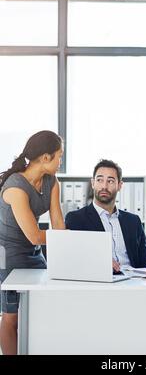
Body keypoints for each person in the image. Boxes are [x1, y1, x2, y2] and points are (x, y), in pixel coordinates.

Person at [0, 130, 65, 355]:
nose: (60, 161)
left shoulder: (52, 181)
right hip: (8, 254)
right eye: (59, 156)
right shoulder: (16, 186)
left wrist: (67, 242)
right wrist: (67, 239)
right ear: (46, 158)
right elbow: (35, 236)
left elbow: (58, 223)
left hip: (33, 253)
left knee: (44, 308)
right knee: (12, 316)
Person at [65, 159, 146, 270]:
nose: (104, 186)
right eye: (100, 180)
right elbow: (73, 258)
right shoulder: (76, 219)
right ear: (93, 183)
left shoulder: (133, 221)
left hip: (132, 281)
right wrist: (100, 261)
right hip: (99, 281)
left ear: (120, 185)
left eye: (110, 181)